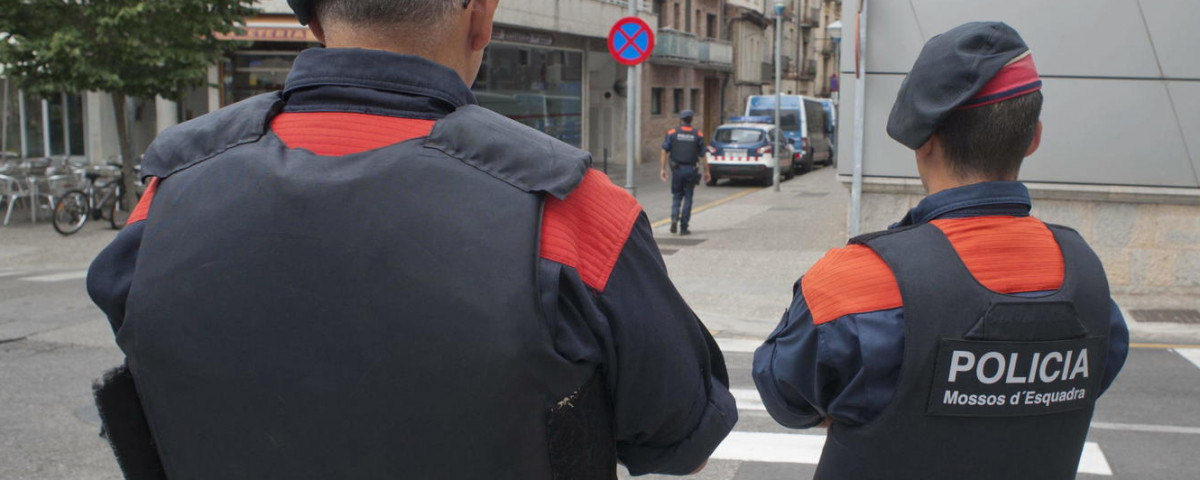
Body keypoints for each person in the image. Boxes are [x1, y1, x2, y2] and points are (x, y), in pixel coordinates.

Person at [85, 1, 737, 478]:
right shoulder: (574, 211)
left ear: (312, 22)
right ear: (480, 18)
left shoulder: (166, 195)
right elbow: (681, 435)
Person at [753, 22, 1129, 480]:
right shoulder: (1086, 277)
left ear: (924, 140)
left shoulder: (854, 283)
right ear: (1034, 137)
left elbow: (785, 397)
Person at [660, 110, 710, 235]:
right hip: (691, 170)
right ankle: (684, 227)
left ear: (681, 120)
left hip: (677, 170)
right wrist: (707, 171)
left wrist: (663, 168)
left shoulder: (672, 133)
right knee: (688, 198)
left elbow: (664, 150)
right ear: (691, 119)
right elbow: (703, 155)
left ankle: (674, 218)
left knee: (677, 196)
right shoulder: (698, 134)